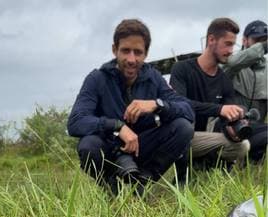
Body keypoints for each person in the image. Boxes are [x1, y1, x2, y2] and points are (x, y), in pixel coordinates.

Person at [68, 19, 194, 195]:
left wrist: (157, 105)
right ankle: (111, 188)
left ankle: (143, 181)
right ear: (115, 50)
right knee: (88, 145)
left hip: (143, 147)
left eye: (138, 52)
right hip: (110, 148)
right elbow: (75, 122)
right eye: (125, 51)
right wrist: (117, 126)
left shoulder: (154, 78)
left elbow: (187, 110)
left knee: (183, 127)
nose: (131, 59)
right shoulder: (97, 79)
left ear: (146, 53)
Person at [170, 17, 250, 170]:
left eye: (233, 45)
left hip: (204, 139)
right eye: (227, 44)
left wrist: (232, 127)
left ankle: (206, 166)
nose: (231, 51)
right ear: (211, 39)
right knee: (182, 126)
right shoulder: (181, 69)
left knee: (243, 145)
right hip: (177, 137)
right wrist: (219, 109)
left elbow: (228, 111)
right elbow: (178, 104)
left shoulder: (224, 80)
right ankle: (183, 173)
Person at [222, 20, 267, 161]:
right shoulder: (232, 63)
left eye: (264, 40)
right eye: (257, 40)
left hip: (256, 133)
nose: (261, 44)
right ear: (244, 40)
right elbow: (233, 63)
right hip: (228, 131)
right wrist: (263, 47)